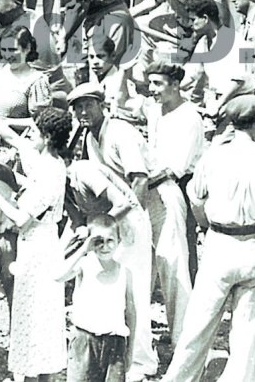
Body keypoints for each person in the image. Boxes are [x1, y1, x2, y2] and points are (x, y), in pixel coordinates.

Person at [162, 95, 255, 382]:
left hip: (219, 243)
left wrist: (206, 226)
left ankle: (178, 379)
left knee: (198, 326)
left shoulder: (213, 157)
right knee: (247, 332)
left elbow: (195, 196)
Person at [0, 96, 69, 382]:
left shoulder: (50, 171)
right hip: (35, 243)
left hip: (39, 246)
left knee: (37, 312)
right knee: (32, 310)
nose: (29, 136)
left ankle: (36, 374)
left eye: (35, 132)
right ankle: (28, 373)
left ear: (47, 137)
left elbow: (22, 219)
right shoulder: (45, 160)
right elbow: (10, 136)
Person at [64, 157, 157, 381]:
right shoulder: (64, 185)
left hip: (126, 224)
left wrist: (97, 232)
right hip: (106, 233)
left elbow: (124, 203)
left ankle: (139, 361)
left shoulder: (83, 171)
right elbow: (78, 219)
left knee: (130, 295)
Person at [140, 61, 204, 283]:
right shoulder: (155, 110)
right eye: (150, 83)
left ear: (175, 85)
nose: (152, 89)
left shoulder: (190, 118)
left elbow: (174, 170)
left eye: (158, 84)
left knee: (182, 247)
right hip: (154, 184)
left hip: (181, 187)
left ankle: (191, 300)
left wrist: (140, 184)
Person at [57, 214, 136, 382]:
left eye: (110, 240)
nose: (105, 246)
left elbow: (131, 312)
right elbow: (58, 276)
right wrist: (83, 250)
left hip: (115, 343)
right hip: (85, 341)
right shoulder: (84, 265)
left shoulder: (125, 272)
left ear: (118, 241)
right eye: (99, 241)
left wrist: (130, 349)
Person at [0, 24, 52, 123]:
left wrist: (4, 122)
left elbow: (40, 122)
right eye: (4, 50)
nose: (7, 55)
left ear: (27, 48)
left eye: (12, 50)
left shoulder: (36, 81)